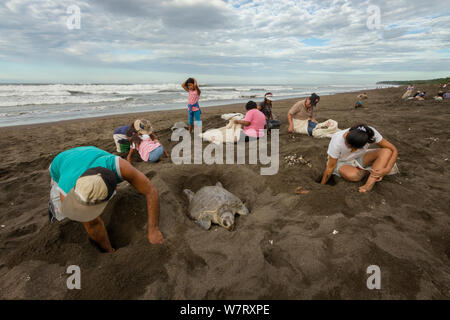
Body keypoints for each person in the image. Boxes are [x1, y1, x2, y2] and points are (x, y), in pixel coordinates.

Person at [48, 146, 164, 253]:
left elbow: (150, 191)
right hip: (60, 164)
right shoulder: (66, 187)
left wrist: (153, 229)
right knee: (64, 217)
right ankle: (53, 211)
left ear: (115, 188)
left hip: (86, 155)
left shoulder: (122, 167)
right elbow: (92, 224)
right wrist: (109, 250)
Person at [320, 124, 398, 193]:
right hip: (340, 162)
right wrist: (322, 185)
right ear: (348, 133)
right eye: (346, 141)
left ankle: (368, 185)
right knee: (354, 176)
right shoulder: (337, 140)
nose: (347, 145)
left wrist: (387, 169)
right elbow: (330, 167)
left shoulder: (370, 133)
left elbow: (393, 149)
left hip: (359, 157)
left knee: (386, 151)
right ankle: (370, 170)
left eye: (350, 146)